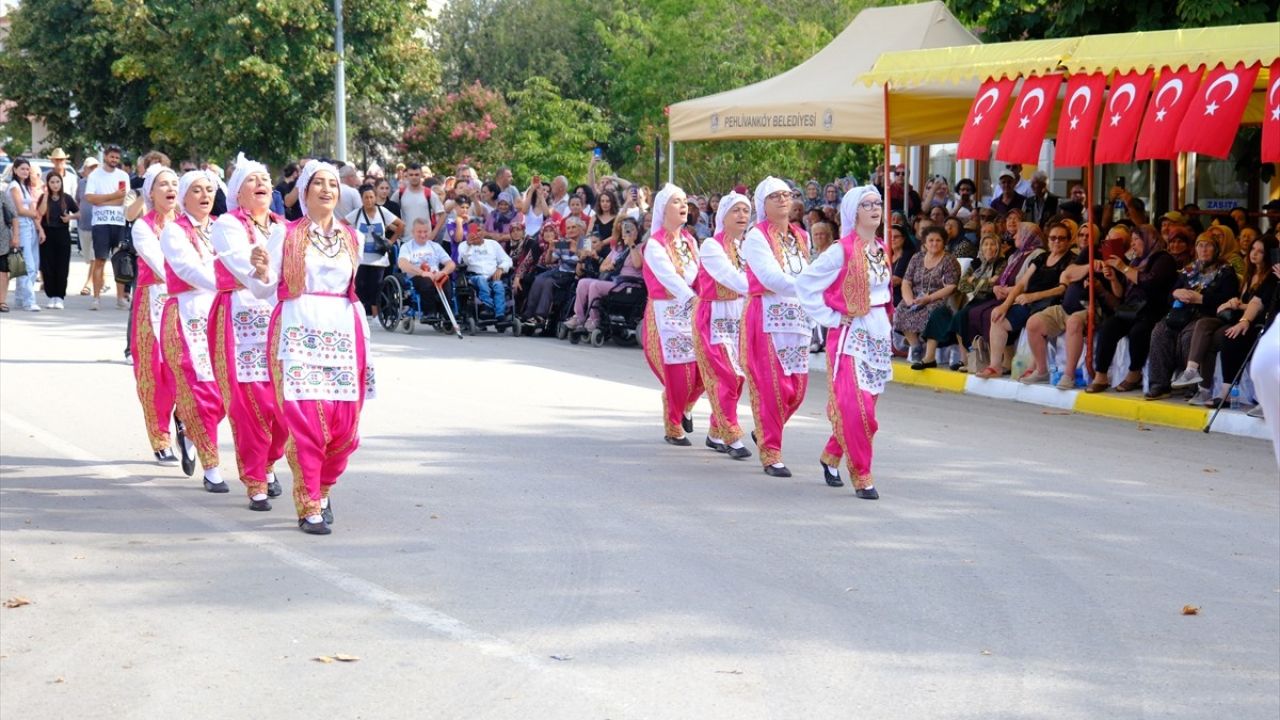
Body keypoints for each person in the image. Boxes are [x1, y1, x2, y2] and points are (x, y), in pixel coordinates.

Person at [246, 160, 375, 535]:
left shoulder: (354, 237)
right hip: (298, 328)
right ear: (303, 192)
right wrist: (260, 271)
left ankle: (324, 488)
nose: (326, 190)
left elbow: (353, 295)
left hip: (342, 330)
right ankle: (308, 503)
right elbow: (263, 288)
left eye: (332, 184)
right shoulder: (285, 234)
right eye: (318, 183)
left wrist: (364, 340)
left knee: (345, 430)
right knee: (307, 424)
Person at [797, 185, 891, 498]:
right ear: (853, 212)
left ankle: (831, 454)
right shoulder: (842, 250)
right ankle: (862, 474)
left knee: (866, 410)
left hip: (877, 332)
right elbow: (806, 284)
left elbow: (884, 294)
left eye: (877, 203)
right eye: (867, 204)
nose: (875, 209)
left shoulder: (881, 248)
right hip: (851, 335)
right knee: (857, 408)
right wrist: (833, 318)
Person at [209, 154, 290, 510]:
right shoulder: (226, 224)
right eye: (252, 179)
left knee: (284, 406)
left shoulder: (285, 226)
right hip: (240, 318)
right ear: (237, 192)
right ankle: (255, 478)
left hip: (282, 319)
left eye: (265, 179)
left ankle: (268, 462)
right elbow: (247, 270)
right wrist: (263, 273)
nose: (261, 184)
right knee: (248, 404)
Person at [158, 170, 227, 492]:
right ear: (184, 197)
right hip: (186, 315)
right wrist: (229, 283)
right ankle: (211, 467)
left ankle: (186, 426)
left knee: (226, 391)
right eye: (196, 190)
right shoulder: (174, 231)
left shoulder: (223, 228)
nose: (204, 195)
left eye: (209, 190)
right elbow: (187, 268)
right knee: (202, 390)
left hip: (222, 312)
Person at [741, 177, 812, 477]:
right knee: (773, 387)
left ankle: (763, 428)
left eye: (787, 195)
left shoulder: (801, 236)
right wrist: (808, 287)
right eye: (775, 196)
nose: (783, 200)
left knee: (796, 389)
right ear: (763, 205)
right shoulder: (756, 237)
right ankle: (771, 453)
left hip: (797, 319)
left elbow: (809, 271)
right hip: (767, 316)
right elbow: (771, 277)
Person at [1173, 238, 1278, 405]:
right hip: (1236, 316)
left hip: (1253, 321)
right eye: (1253, 250)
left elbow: (1259, 304)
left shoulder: (1271, 277)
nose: (1254, 254)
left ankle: (1223, 392)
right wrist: (1233, 304)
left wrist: (1238, 307)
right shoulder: (1250, 274)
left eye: (1260, 251)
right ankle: (1192, 372)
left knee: (1223, 338)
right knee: (1204, 324)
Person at [640, 184, 704, 445]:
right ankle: (673, 423)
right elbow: (669, 278)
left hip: (693, 310)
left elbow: (699, 272)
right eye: (676, 202)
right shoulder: (654, 245)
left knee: (702, 370)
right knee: (678, 372)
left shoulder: (690, 241)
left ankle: (684, 407)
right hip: (665, 313)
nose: (683, 206)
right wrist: (693, 298)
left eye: (685, 201)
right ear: (663, 209)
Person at [691, 192, 752, 459]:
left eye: (746, 211)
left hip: (739, 315)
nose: (742, 216)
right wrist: (763, 288)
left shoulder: (744, 247)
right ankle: (731, 434)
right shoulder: (711, 246)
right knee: (725, 374)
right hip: (714, 314)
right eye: (736, 211)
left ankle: (715, 432)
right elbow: (733, 279)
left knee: (738, 376)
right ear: (722, 216)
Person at [1144, 232, 1240, 401]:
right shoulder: (1188, 270)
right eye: (1200, 245)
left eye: (1209, 245)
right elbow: (1168, 297)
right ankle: (1159, 384)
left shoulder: (1226, 271)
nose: (1204, 250)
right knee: (1160, 331)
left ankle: (1191, 386)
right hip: (1181, 314)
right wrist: (1176, 292)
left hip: (1207, 316)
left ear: (1217, 249)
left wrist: (1201, 298)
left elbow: (1228, 298)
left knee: (1189, 335)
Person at [1020, 224, 1116, 387]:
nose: (1085, 238)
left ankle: (1069, 375)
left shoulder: (1110, 257)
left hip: (1089, 308)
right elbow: (1070, 274)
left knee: (1073, 322)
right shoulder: (1086, 254)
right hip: (1065, 307)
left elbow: (1117, 294)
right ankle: (1042, 370)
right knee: (1033, 323)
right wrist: (1089, 266)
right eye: (1082, 235)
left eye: (1089, 235)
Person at [128, 165, 181, 465]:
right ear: (151, 192)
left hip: (188, 304)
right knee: (155, 373)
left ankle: (185, 420)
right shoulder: (143, 226)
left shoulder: (190, 224)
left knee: (186, 369)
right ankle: (160, 436)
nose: (170, 188)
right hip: (155, 302)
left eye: (174, 183)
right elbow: (160, 264)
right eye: (163, 184)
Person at [1086, 225, 1179, 393]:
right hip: (1130, 308)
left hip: (1152, 309)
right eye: (1133, 239)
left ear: (1149, 240)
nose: (1133, 244)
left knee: (1139, 331)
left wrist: (1123, 267)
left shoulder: (1163, 259)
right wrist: (1114, 278)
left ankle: (1135, 372)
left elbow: (1150, 282)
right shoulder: (1136, 261)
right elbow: (1121, 293)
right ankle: (1101, 374)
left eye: (1137, 239)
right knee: (1108, 327)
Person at [979, 221, 1075, 378]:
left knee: (1035, 322)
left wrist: (1033, 296)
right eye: (1052, 238)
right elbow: (1022, 283)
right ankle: (995, 366)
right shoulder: (1042, 257)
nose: (1056, 241)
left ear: (1068, 240)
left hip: (1052, 303)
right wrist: (1004, 306)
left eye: (1061, 238)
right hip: (1029, 302)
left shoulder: (1071, 259)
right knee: (997, 316)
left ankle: (1035, 367)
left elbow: (1062, 288)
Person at [921, 234, 1006, 370]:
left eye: (993, 244)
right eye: (986, 244)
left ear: (998, 246)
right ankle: (929, 357)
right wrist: (984, 282)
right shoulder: (977, 263)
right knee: (939, 313)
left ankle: (965, 359)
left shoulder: (1002, 263)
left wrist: (974, 281)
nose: (989, 247)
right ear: (981, 247)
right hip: (968, 299)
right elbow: (962, 285)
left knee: (961, 316)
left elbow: (994, 285)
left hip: (988, 300)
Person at [893, 225, 960, 366]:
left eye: (938, 240)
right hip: (917, 297)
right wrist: (909, 300)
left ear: (944, 242)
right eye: (931, 240)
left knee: (931, 311)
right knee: (901, 309)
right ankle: (915, 345)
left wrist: (929, 298)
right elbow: (906, 281)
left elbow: (951, 286)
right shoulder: (917, 258)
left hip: (938, 298)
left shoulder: (949, 260)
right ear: (924, 243)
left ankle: (928, 354)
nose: (934, 243)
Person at [84, 145, 133, 310]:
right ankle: (96, 298)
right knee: (100, 260)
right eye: (112, 157)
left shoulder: (123, 176)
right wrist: (112, 196)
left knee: (120, 260)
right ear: (105, 156)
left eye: (117, 158)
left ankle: (120, 297)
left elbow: (123, 199)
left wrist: (102, 200)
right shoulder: (95, 176)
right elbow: (90, 198)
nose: (114, 160)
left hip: (118, 222)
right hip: (100, 222)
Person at [347, 183, 402, 317]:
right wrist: (350, 238)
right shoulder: (358, 213)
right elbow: (342, 223)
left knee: (376, 287)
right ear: (361, 199)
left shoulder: (382, 212)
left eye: (371, 197)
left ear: (375, 198)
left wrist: (391, 241)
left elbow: (401, 225)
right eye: (366, 197)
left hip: (379, 258)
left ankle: (375, 315)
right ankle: (359, 314)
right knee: (360, 287)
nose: (369, 200)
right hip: (361, 258)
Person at [398, 218, 457, 321]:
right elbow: (402, 263)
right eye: (419, 232)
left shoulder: (435, 246)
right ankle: (429, 312)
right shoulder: (407, 247)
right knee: (426, 281)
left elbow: (451, 264)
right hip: (417, 276)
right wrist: (422, 272)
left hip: (435, 274)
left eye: (425, 232)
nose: (422, 235)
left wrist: (443, 272)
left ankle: (446, 312)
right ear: (413, 232)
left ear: (430, 231)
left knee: (446, 280)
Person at [36, 170, 79, 309]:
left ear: (61, 183)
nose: (55, 185)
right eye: (52, 182)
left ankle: (60, 296)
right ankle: (51, 296)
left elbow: (79, 212)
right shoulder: (44, 197)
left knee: (62, 266)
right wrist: (46, 195)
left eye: (57, 182)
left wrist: (70, 218)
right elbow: (40, 213)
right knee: (47, 266)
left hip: (62, 233)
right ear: (47, 184)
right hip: (47, 234)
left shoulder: (66, 198)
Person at [7, 159, 44, 312]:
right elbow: (20, 210)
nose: (25, 172)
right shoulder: (14, 187)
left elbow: (30, 209)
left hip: (29, 227)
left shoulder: (25, 186)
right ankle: (29, 300)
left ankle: (20, 299)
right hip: (19, 227)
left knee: (32, 264)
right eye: (22, 169)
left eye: (27, 169)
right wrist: (35, 214)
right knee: (26, 265)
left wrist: (39, 228)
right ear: (15, 170)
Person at [457, 218, 512, 318]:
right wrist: (469, 246)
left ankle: (500, 314)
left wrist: (501, 268)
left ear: (483, 231)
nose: (476, 234)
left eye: (478, 230)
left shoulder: (493, 244)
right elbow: (463, 262)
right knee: (481, 280)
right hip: (473, 278)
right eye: (472, 231)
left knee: (499, 285)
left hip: (492, 277)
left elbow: (507, 260)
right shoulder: (463, 246)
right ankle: (487, 307)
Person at [75, 157, 100, 296]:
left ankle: (89, 283)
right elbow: (77, 201)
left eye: (95, 167)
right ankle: (100, 279)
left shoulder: (101, 183)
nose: (93, 170)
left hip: (98, 225)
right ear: (84, 170)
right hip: (83, 225)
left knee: (94, 256)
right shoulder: (81, 183)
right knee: (88, 257)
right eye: (90, 168)